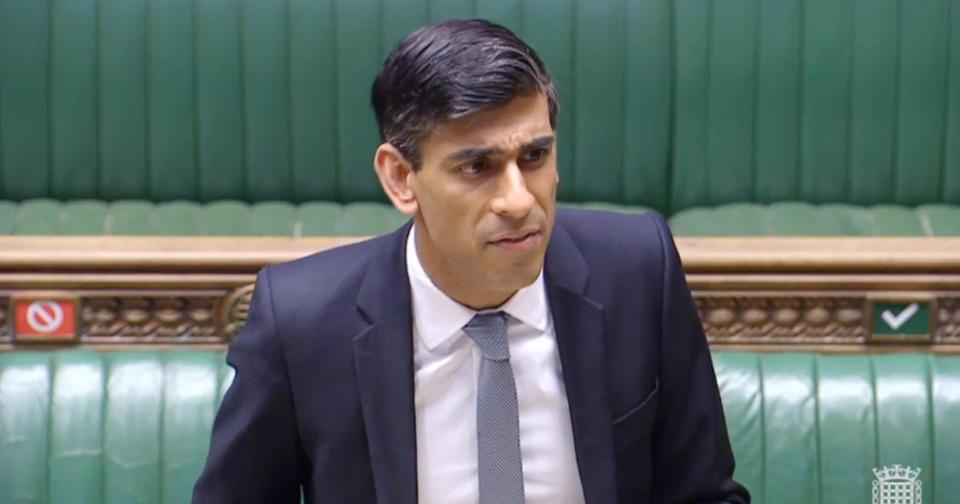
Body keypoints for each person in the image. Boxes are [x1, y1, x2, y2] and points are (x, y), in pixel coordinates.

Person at [193, 19, 749, 504]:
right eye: (476, 167)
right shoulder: (301, 323)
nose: (518, 200)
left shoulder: (638, 272)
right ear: (400, 178)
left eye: (535, 156)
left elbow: (705, 495)